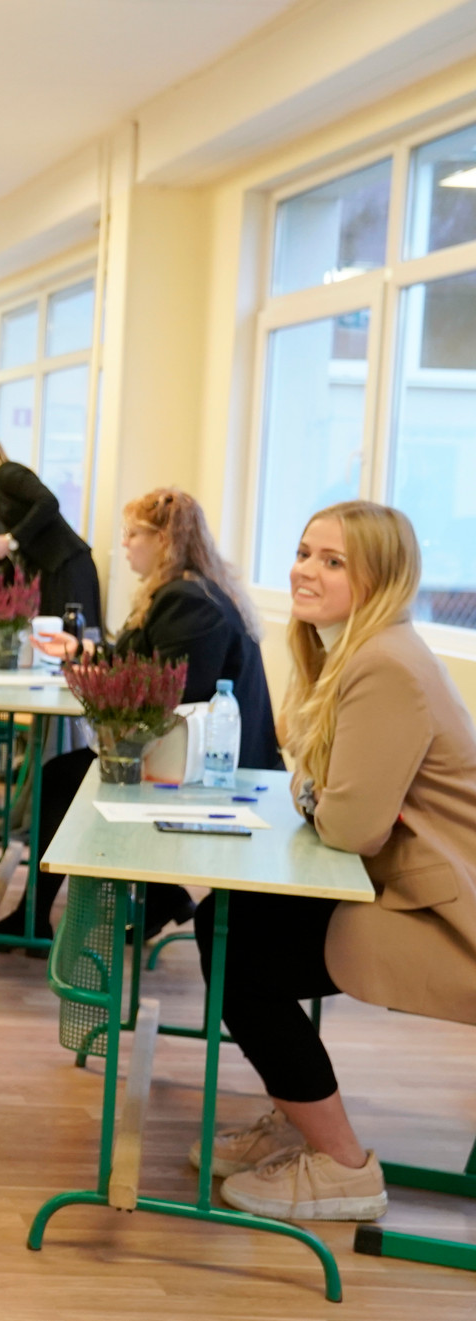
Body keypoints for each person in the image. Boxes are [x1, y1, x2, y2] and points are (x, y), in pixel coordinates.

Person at [194, 501, 476, 1223]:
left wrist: (336, 803)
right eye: (303, 550)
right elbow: (327, 794)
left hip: (448, 914)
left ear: (380, 578)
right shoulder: (353, 648)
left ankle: (342, 1165)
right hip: (404, 884)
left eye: (333, 560)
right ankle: (299, 1117)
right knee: (233, 920)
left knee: (242, 949)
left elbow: (349, 823)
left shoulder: (383, 664)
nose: (304, 569)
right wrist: (336, 801)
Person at [2, 487, 280, 942]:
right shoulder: (190, 591)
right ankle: (163, 899)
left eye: (134, 534)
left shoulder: (185, 600)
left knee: (62, 780)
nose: (125, 544)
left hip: (215, 770)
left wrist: (100, 672)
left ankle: (36, 916)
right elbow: (155, 669)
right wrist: (87, 651)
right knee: (70, 776)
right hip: (199, 755)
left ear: (164, 540)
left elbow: (165, 693)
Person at [0, 428, 102, 632]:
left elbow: (48, 502)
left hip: (66, 565)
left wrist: (11, 540)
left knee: (70, 638)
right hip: (52, 569)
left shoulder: (7, 474)